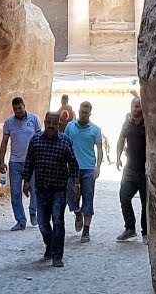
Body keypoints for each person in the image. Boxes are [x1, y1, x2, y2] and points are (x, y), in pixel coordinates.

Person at [21, 110, 79, 268]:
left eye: (55, 123)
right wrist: (26, 181)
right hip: (41, 188)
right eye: (49, 123)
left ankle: (57, 256)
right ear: (45, 122)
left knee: (58, 221)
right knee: (42, 222)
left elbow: (73, 163)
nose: (52, 126)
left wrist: (76, 184)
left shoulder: (65, 141)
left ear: (59, 124)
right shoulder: (36, 140)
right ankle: (50, 244)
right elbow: (29, 162)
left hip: (59, 189)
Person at [0, 96, 42, 230]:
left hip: (32, 162)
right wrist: (1, 162)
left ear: (24, 106)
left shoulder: (34, 119)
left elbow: (40, 139)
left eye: (20, 108)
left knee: (35, 189)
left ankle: (33, 210)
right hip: (15, 162)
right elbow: (4, 142)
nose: (18, 111)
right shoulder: (9, 122)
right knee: (15, 193)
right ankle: (21, 221)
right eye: (15, 109)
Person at [62, 100, 103, 242]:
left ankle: (86, 230)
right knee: (71, 196)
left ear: (90, 113)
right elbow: (64, 144)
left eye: (86, 113)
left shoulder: (95, 130)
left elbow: (99, 149)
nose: (83, 115)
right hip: (71, 168)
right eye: (81, 112)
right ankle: (77, 213)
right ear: (78, 111)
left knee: (88, 197)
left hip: (88, 168)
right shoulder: (70, 126)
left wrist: (98, 167)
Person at [116, 96, 148, 243]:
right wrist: (118, 158)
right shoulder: (127, 123)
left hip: (145, 170)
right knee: (124, 197)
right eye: (135, 106)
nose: (137, 109)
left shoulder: (148, 124)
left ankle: (146, 232)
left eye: (139, 106)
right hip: (130, 169)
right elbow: (121, 139)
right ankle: (130, 228)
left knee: (145, 203)